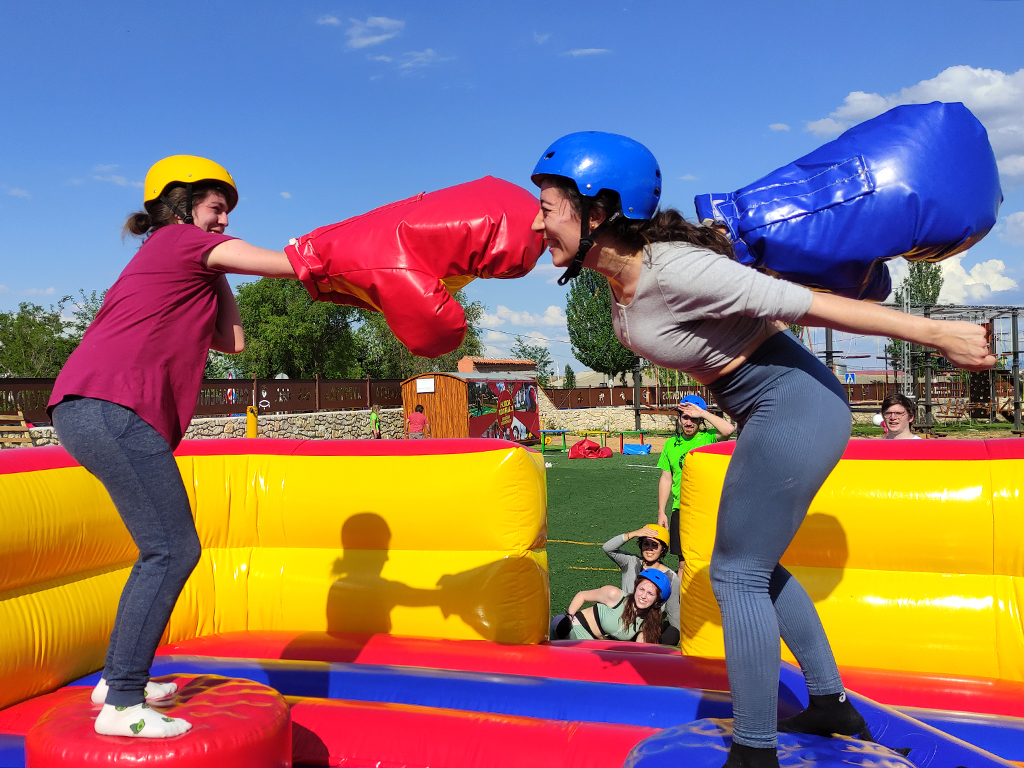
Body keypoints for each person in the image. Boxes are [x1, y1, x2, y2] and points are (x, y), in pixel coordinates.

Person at [530, 132, 994, 767]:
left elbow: (811, 307)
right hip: (762, 408)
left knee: (734, 571)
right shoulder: (619, 284)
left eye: (548, 206)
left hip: (796, 403)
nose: (537, 220)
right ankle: (830, 703)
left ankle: (754, 752)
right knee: (758, 566)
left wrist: (936, 333)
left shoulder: (676, 269)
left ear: (598, 210)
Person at [47, 156, 299, 739]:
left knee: (158, 549)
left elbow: (233, 343)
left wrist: (216, 269)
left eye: (228, 214)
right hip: (110, 408)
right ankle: (122, 704)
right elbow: (287, 265)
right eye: (216, 209)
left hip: (96, 410)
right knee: (172, 550)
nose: (223, 221)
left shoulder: (190, 261)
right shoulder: (177, 240)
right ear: (181, 204)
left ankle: (118, 678)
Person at [658, 394, 736, 584]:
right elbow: (666, 479)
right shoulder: (670, 445)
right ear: (679, 418)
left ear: (700, 420)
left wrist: (702, 411)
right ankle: (681, 609)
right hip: (681, 510)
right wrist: (662, 511)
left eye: (694, 418)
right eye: (685, 417)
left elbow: (729, 429)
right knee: (684, 563)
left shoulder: (708, 438)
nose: (689, 422)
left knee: (709, 560)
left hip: (707, 511)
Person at [602, 524, 680, 645]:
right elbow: (608, 548)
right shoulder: (631, 562)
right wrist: (633, 534)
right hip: (623, 622)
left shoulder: (671, 578)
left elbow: (674, 616)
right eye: (646, 544)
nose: (649, 549)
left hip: (647, 628)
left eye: (655, 545)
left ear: (663, 549)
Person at [550, 569, 671, 644]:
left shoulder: (649, 622)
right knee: (559, 622)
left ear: (657, 600)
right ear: (635, 588)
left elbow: (641, 650)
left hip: (596, 647)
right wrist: (569, 616)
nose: (643, 596)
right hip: (576, 630)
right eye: (641, 589)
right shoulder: (615, 595)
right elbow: (582, 596)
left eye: (650, 594)